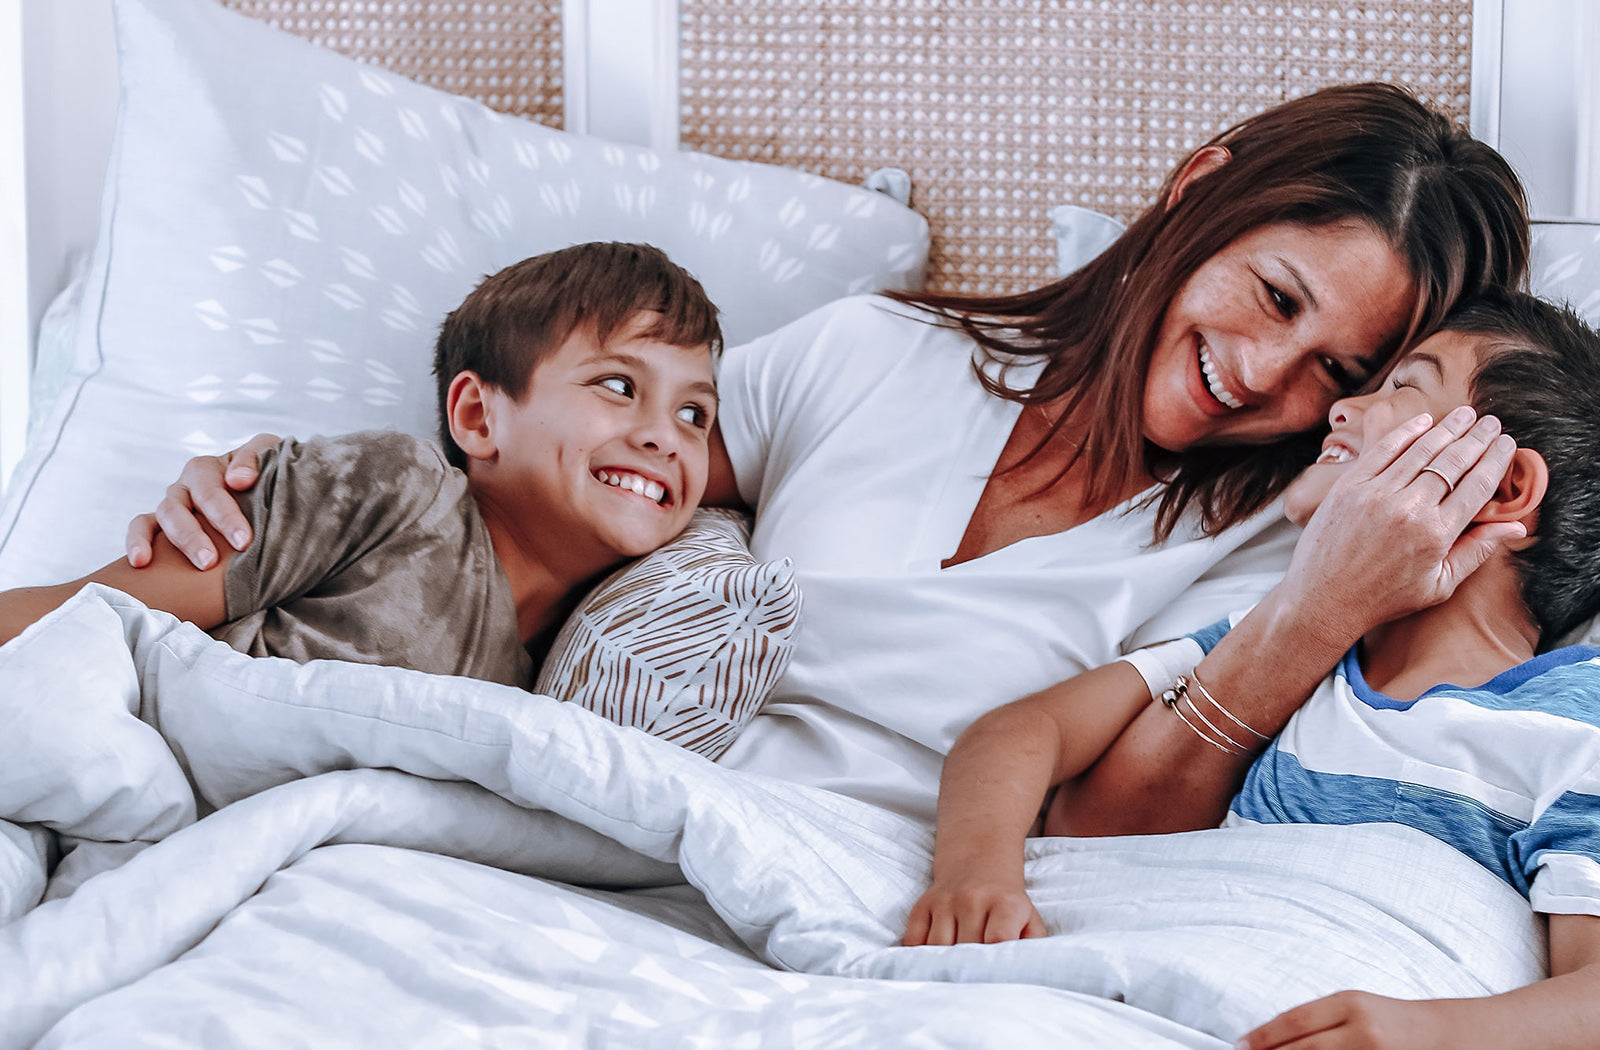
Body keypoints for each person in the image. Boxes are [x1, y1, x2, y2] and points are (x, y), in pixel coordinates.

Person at [130, 83, 1530, 833]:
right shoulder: (874, 355)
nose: (1271, 378)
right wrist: (294, 498)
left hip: (862, 882)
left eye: (1341, 369)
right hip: (608, 816)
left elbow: (1115, 820)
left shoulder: (1278, 543)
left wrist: (1323, 607)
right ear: (1203, 187)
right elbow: (574, 475)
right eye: (1276, 298)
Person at [905, 290, 1600, 1048]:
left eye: (1403, 384)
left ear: (1503, 487)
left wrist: (1421, 1034)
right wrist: (975, 873)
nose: (1341, 408)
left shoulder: (1573, 718)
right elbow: (1022, 729)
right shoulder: (1269, 645)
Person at [0, 241, 722, 688]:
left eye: (696, 414)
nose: (665, 436)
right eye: (618, 386)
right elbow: (70, 621)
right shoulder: (397, 491)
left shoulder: (582, 664)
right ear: (476, 416)